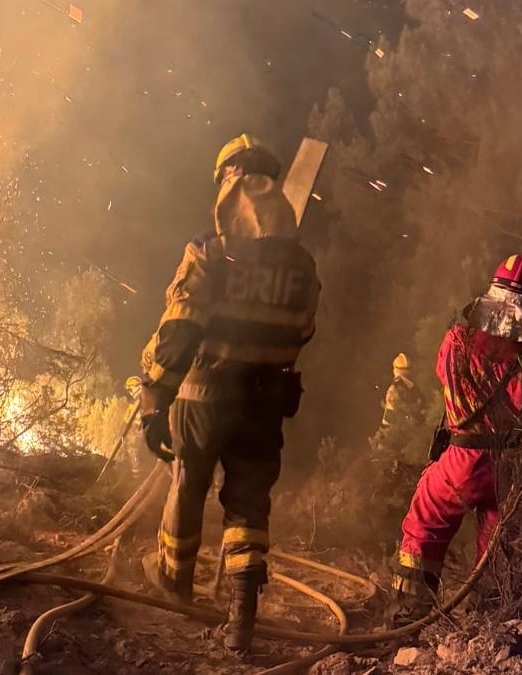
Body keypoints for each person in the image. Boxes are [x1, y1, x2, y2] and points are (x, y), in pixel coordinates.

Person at [137, 133, 321, 653]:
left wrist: (156, 398)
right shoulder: (302, 266)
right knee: (248, 503)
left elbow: (179, 330)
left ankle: (175, 581)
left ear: (226, 182)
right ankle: (241, 615)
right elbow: (303, 331)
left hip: (204, 391)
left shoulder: (209, 252)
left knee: (188, 482)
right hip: (266, 399)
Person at [387, 252, 522, 628]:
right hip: (511, 468)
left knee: (424, 524)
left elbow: (443, 372)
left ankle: (408, 616)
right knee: (498, 548)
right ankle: (490, 622)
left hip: (462, 460)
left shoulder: (458, 341)